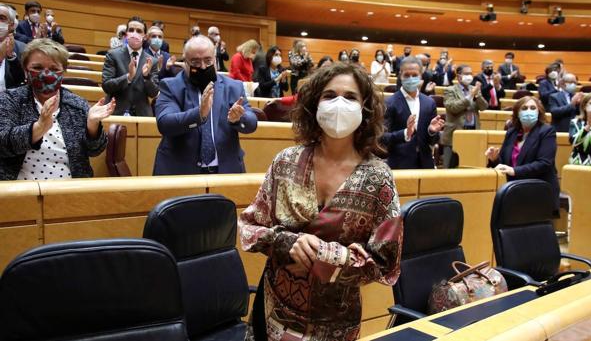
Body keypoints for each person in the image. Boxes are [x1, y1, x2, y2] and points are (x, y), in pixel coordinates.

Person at [239, 63, 402, 341]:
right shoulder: (285, 162)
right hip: (273, 313)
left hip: (336, 325)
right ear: (314, 104)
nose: (339, 103)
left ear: (365, 108)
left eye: (350, 96)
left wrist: (326, 257)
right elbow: (248, 227)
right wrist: (286, 243)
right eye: (329, 95)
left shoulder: (378, 178)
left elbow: (387, 263)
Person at [0, 39, 114, 180]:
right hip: (20, 193)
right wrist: (38, 128)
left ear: (63, 72)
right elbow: (2, 144)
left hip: (70, 192)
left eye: (54, 69)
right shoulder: (10, 100)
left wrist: (92, 127)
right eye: (37, 68)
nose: (46, 75)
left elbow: (95, 150)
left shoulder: (77, 104)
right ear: (25, 70)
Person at [153, 35, 257, 175]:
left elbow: (252, 122)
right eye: (195, 62)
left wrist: (239, 118)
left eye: (208, 61)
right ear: (185, 62)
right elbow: (165, 123)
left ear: (215, 59)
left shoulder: (233, 87)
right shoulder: (170, 86)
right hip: (181, 173)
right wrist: (199, 114)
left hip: (225, 172)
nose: (202, 67)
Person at [485, 96, 560, 212]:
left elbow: (544, 163)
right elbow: (505, 165)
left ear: (539, 111)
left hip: (539, 191)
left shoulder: (546, 131)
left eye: (532, 108)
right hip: (515, 191)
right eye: (524, 108)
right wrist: (494, 159)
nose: (528, 111)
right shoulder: (512, 133)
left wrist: (515, 171)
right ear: (518, 113)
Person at [383, 56, 445, 169]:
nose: (411, 78)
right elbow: (382, 138)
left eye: (415, 75)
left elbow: (433, 140)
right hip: (399, 164)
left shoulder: (429, 102)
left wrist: (431, 131)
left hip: (425, 163)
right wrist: (405, 133)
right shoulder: (389, 103)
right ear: (400, 75)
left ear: (421, 76)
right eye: (407, 75)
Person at [102, 15, 159, 116]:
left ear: (145, 36)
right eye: (131, 30)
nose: (134, 33)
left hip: (141, 115)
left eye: (139, 31)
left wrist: (147, 77)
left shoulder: (152, 61)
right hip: (115, 112)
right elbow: (106, 86)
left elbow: (153, 93)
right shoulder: (113, 55)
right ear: (126, 33)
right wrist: (128, 77)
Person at [441, 64, 487, 168]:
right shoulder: (450, 90)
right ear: (458, 76)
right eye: (466, 74)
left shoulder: (474, 89)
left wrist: (477, 96)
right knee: (449, 167)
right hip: (454, 133)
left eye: (471, 73)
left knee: (470, 165)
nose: (469, 76)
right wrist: (470, 96)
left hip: (473, 132)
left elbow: (484, 107)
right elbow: (453, 107)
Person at [0, 3, 25, 92]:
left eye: (1, 18)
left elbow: (21, 81)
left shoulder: (22, 48)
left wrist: (11, 57)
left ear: (11, 25)